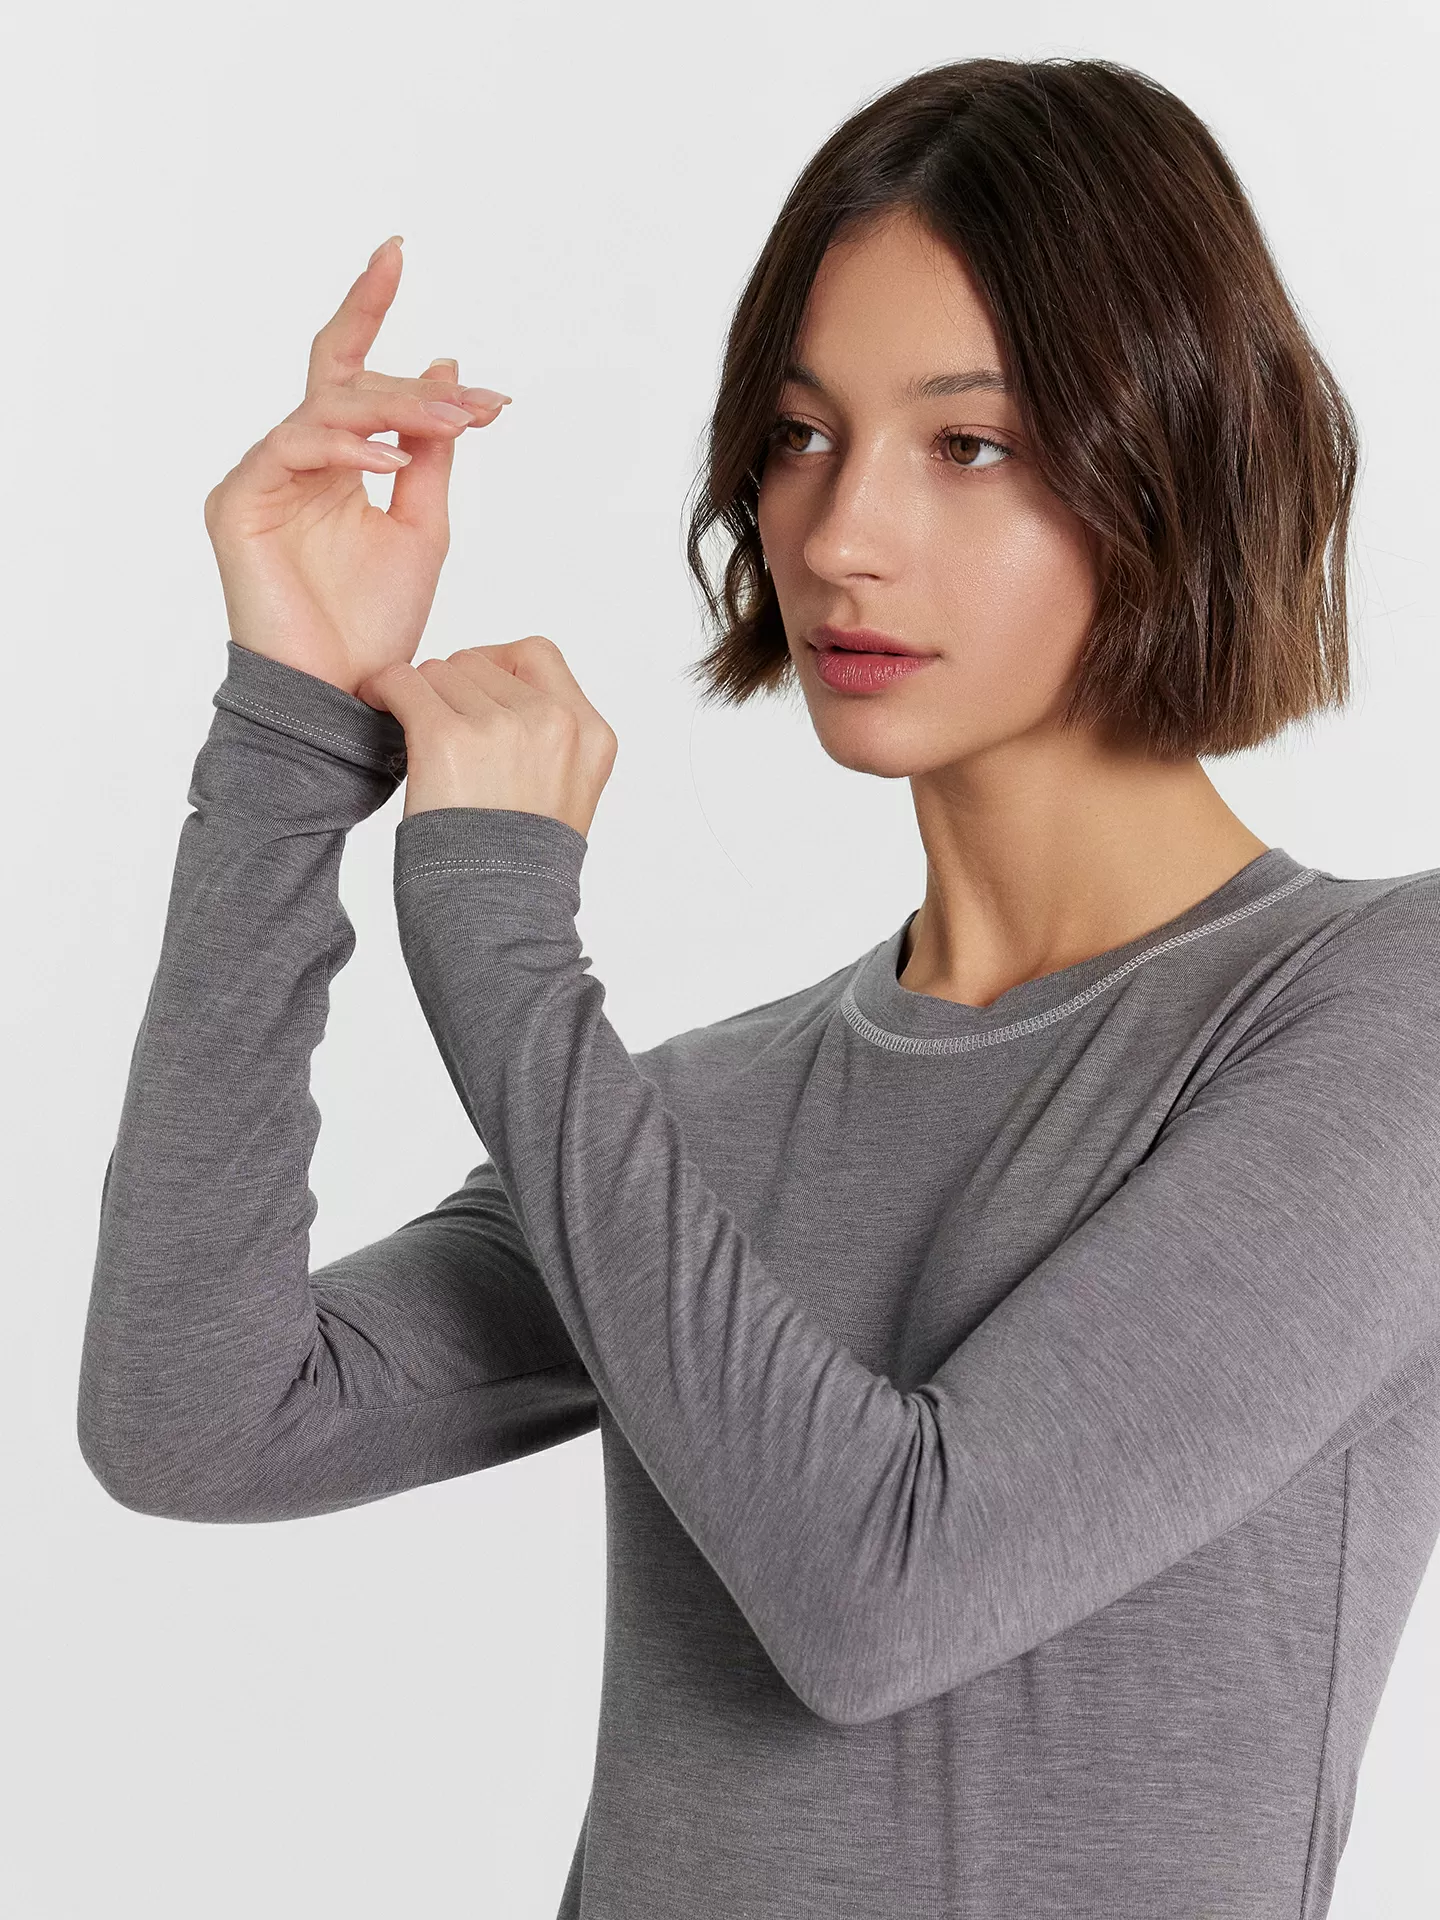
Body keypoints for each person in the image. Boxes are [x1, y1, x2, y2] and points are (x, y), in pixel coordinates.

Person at [77, 54, 1440, 1920]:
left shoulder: (1379, 1009)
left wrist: (499, 942)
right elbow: (197, 1418)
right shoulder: (704, 1110)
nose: (839, 534)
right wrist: (293, 738)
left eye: (970, 444)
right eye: (802, 435)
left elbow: (884, 1593)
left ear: (1183, 459)